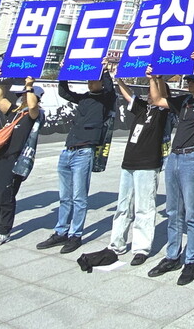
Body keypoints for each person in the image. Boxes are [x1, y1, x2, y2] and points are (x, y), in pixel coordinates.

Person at [145, 66, 194, 286]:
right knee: (173, 211)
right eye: (188, 78)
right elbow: (157, 100)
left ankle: (191, 261)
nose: (189, 81)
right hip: (174, 157)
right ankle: (172, 256)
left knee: (192, 213)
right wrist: (155, 78)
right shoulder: (184, 101)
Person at [37, 59, 116, 255]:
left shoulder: (105, 99)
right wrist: (63, 70)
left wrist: (104, 71)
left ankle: (75, 235)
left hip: (84, 152)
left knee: (79, 197)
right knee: (65, 197)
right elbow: (64, 92)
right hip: (68, 151)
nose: (90, 83)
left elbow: (110, 89)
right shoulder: (84, 98)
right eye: (89, 81)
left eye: (94, 80)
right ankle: (61, 231)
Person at [103, 68, 171, 266]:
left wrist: (154, 79)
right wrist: (119, 80)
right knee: (123, 206)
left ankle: (141, 248)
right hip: (129, 163)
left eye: (154, 90)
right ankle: (117, 243)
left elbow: (160, 96)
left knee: (144, 208)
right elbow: (128, 95)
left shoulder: (163, 112)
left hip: (147, 165)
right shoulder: (142, 108)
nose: (150, 94)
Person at [0, 75, 44, 248]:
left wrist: (29, 86)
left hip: (15, 160)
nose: (22, 97)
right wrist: (2, 81)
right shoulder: (15, 112)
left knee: (6, 196)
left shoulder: (35, 115)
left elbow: (33, 106)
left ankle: (3, 230)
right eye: (21, 94)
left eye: (25, 94)